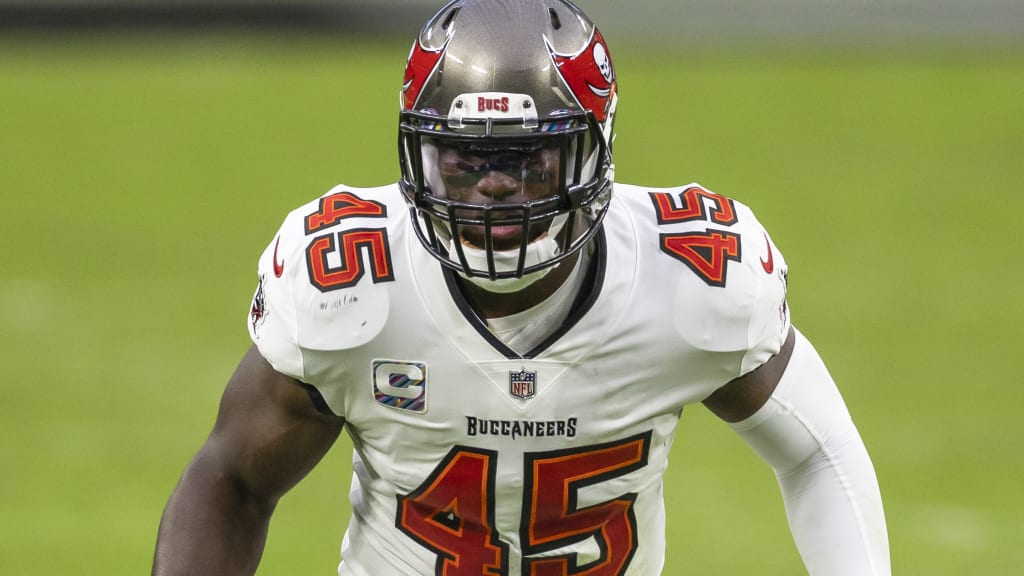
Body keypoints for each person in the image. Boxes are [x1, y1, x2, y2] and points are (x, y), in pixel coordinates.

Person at [152, 1, 891, 574]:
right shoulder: (349, 285)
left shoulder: (692, 278)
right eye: (465, 161)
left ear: (592, 153)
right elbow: (232, 480)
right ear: (420, 157)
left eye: (529, 159)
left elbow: (819, 453)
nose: (496, 188)